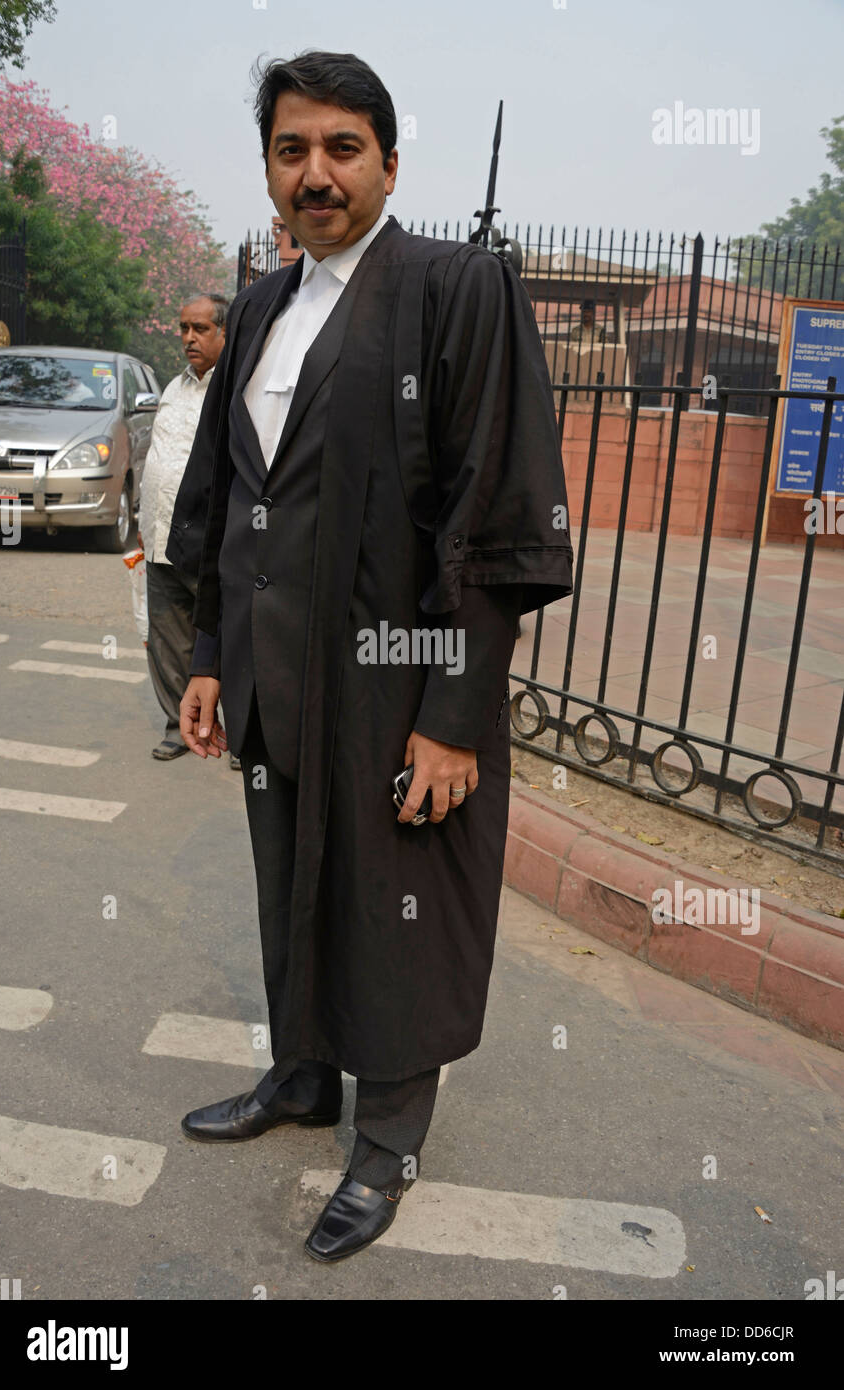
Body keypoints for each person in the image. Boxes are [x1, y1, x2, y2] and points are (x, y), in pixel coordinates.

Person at [167, 50, 573, 1263]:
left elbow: (495, 514)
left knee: (395, 906)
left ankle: (388, 1139)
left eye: (344, 148)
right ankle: (302, 1076)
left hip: (401, 682)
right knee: (290, 873)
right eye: (293, 151)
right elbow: (219, 499)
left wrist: (455, 714)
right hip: (275, 675)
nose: (318, 173)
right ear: (269, 172)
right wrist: (206, 656)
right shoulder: (256, 312)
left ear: (390, 163)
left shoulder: (455, 290)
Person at [138, 294, 228, 760]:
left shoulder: (233, 387)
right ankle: (181, 724)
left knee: (227, 634)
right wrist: (142, 517)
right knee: (168, 635)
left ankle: (239, 734)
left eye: (201, 328)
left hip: (208, 539)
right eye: (184, 328)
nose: (189, 338)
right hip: (159, 535)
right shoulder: (173, 388)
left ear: (223, 332)